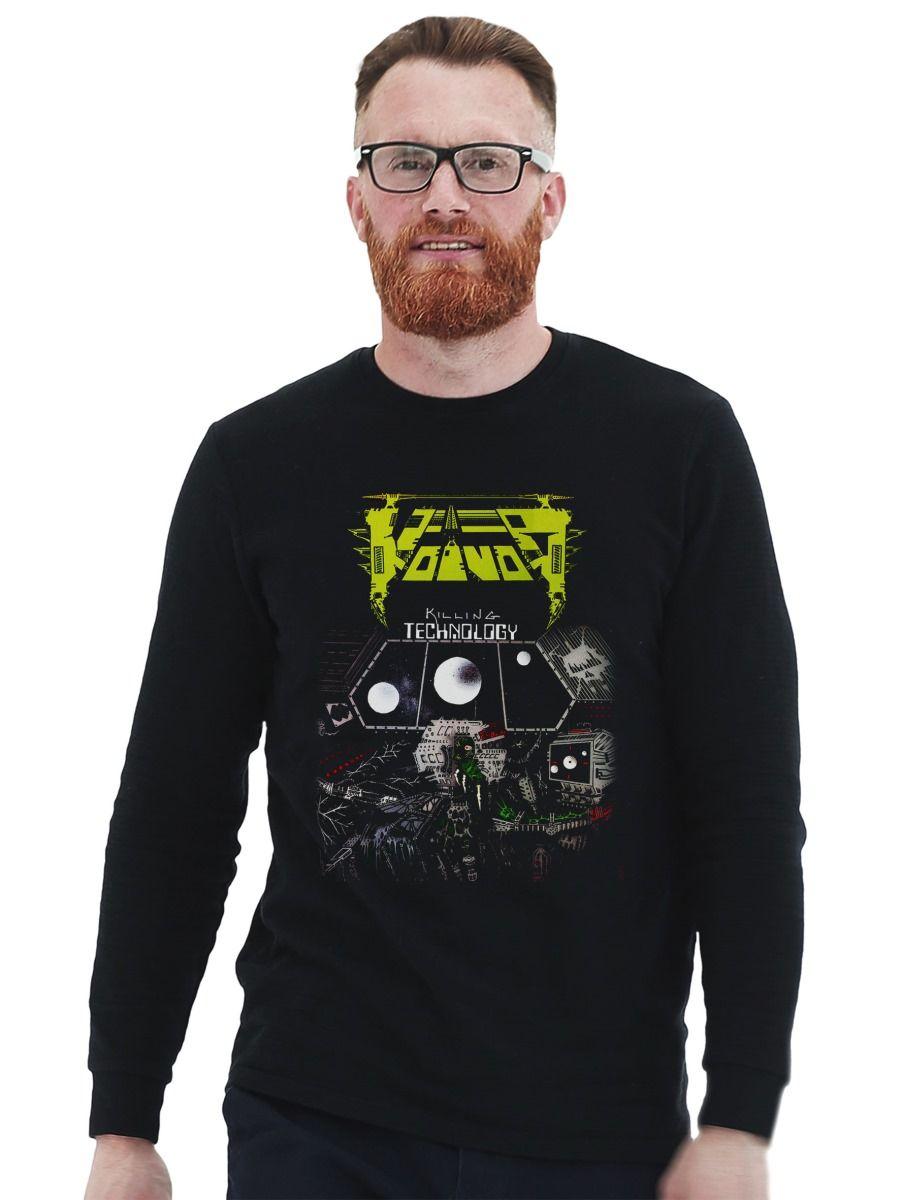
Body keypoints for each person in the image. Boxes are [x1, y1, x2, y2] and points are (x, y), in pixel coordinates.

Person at [85, 15, 805, 1200]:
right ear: (357, 202)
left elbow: (745, 801)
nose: (445, 196)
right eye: (406, 160)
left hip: (599, 1123)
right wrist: (124, 1119)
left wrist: (740, 1113)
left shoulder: (680, 449)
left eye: (489, 161)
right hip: (317, 1117)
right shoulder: (254, 466)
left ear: (550, 201)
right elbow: (175, 805)